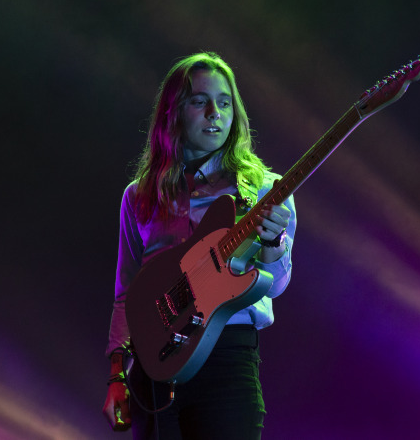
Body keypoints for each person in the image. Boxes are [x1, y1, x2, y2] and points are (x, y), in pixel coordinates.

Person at [102, 52, 296, 440]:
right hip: (153, 366)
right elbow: (126, 293)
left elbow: (273, 285)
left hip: (226, 361)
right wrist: (116, 376)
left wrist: (273, 242)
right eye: (200, 101)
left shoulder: (263, 189)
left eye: (224, 102)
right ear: (173, 113)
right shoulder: (139, 196)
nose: (214, 113)